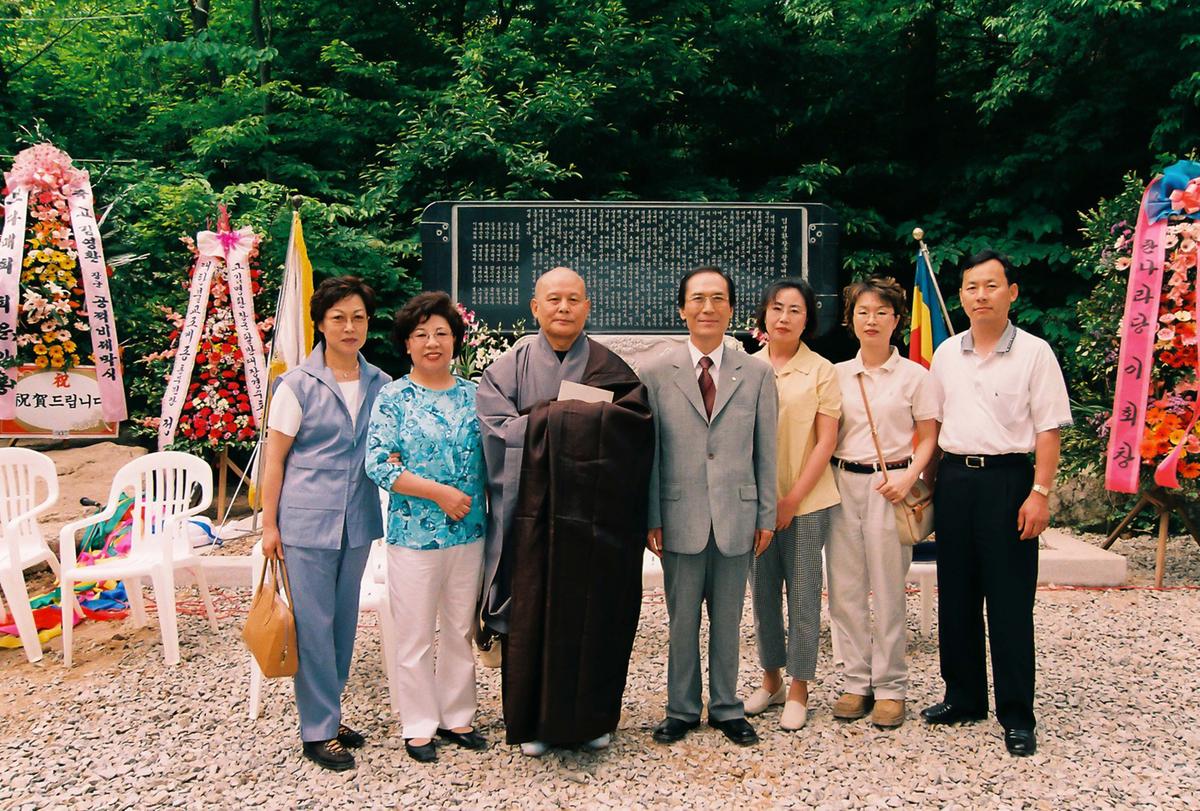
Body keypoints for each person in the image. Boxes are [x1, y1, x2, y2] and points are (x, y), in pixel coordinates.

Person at [477, 266, 655, 757]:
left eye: (574, 299)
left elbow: (634, 432)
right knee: (529, 614)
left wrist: (549, 417)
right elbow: (494, 429)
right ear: (535, 308)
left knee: (596, 615)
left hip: (592, 522)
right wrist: (568, 418)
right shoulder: (506, 368)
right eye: (553, 299)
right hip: (527, 519)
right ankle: (531, 723)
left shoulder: (611, 368)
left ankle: (594, 720)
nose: (563, 307)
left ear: (587, 308)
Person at [922, 250, 1071, 757]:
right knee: (956, 596)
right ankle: (963, 696)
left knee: (1008, 602)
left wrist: (1041, 493)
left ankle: (1016, 713)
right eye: (970, 286)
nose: (979, 295)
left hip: (1009, 482)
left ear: (1012, 292)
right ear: (961, 295)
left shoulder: (1035, 352)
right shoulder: (946, 353)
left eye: (990, 285)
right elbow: (933, 426)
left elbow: (1049, 430)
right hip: (955, 480)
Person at [259, 276, 390, 772]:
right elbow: (275, 461)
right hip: (305, 522)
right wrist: (268, 526)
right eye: (338, 317)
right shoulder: (296, 384)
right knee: (313, 626)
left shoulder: (381, 382)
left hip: (357, 521)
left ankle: (329, 714)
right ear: (320, 323)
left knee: (342, 625)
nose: (349, 326)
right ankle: (317, 729)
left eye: (358, 317)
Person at [643, 266, 777, 747]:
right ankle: (680, 709)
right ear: (682, 309)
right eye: (697, 299)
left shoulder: (757, 373)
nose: (707, 308)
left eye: (718, 299)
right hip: (679, 515)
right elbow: (651, 451)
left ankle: (726, 706)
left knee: (728, 618)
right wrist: (651, 516)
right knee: (681, 619)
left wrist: (766, 514)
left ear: (731, 309)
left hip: (738, 515)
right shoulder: (656, 372)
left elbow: (767, 450)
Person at [364, 292, 488, 763]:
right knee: (414, 632)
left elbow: (491, 460)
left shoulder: (475, 395)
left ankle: (458, 716)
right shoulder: (393, 397)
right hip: (414, 535)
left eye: (441, 333)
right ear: (407, 345)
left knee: (459, 629)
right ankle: (418, 724)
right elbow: (380, 464)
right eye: (421, 335)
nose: (432, 342)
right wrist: (439, 493)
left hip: (469, 533)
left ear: (456, 340)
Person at [826, 277, 940, 729]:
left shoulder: (916, 376)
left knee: (890, 588)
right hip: (841, 485)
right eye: (862, 312)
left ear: (896, 320)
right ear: (850, 319)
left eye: (881, 312)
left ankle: (892, 686)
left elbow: (930, 436)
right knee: (846, 588)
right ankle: (856, 681)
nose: (871, 320)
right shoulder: (835, 374)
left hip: (891, 487)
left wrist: (908, 475)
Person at [743, 278, 841, 731]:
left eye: (795, 310)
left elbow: (825, 442)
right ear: (763, 314)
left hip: (807, 499)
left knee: (802, 595)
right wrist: (763, 502)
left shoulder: (822, 370)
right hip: (754, 502)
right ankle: (771, 679)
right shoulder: (744, 367)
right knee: (762, 594)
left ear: (808, 319)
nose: (784, 317)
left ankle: (800, 686)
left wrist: (792, 499)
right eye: (777, 308)